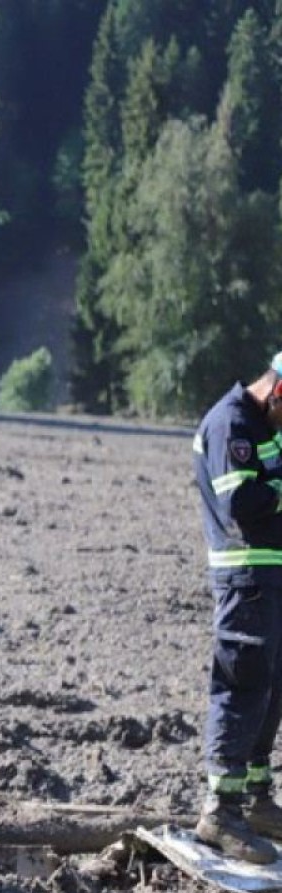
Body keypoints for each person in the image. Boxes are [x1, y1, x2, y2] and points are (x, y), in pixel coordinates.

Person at [191, 353, 282, 864]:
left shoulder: (267, 424)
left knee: (270, 687)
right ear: (277, 393)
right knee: (243, 683)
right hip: (245, 575)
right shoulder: (231, 422)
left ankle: (256, 799)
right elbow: (240, 502)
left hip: (273, 572)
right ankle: (220, 811)